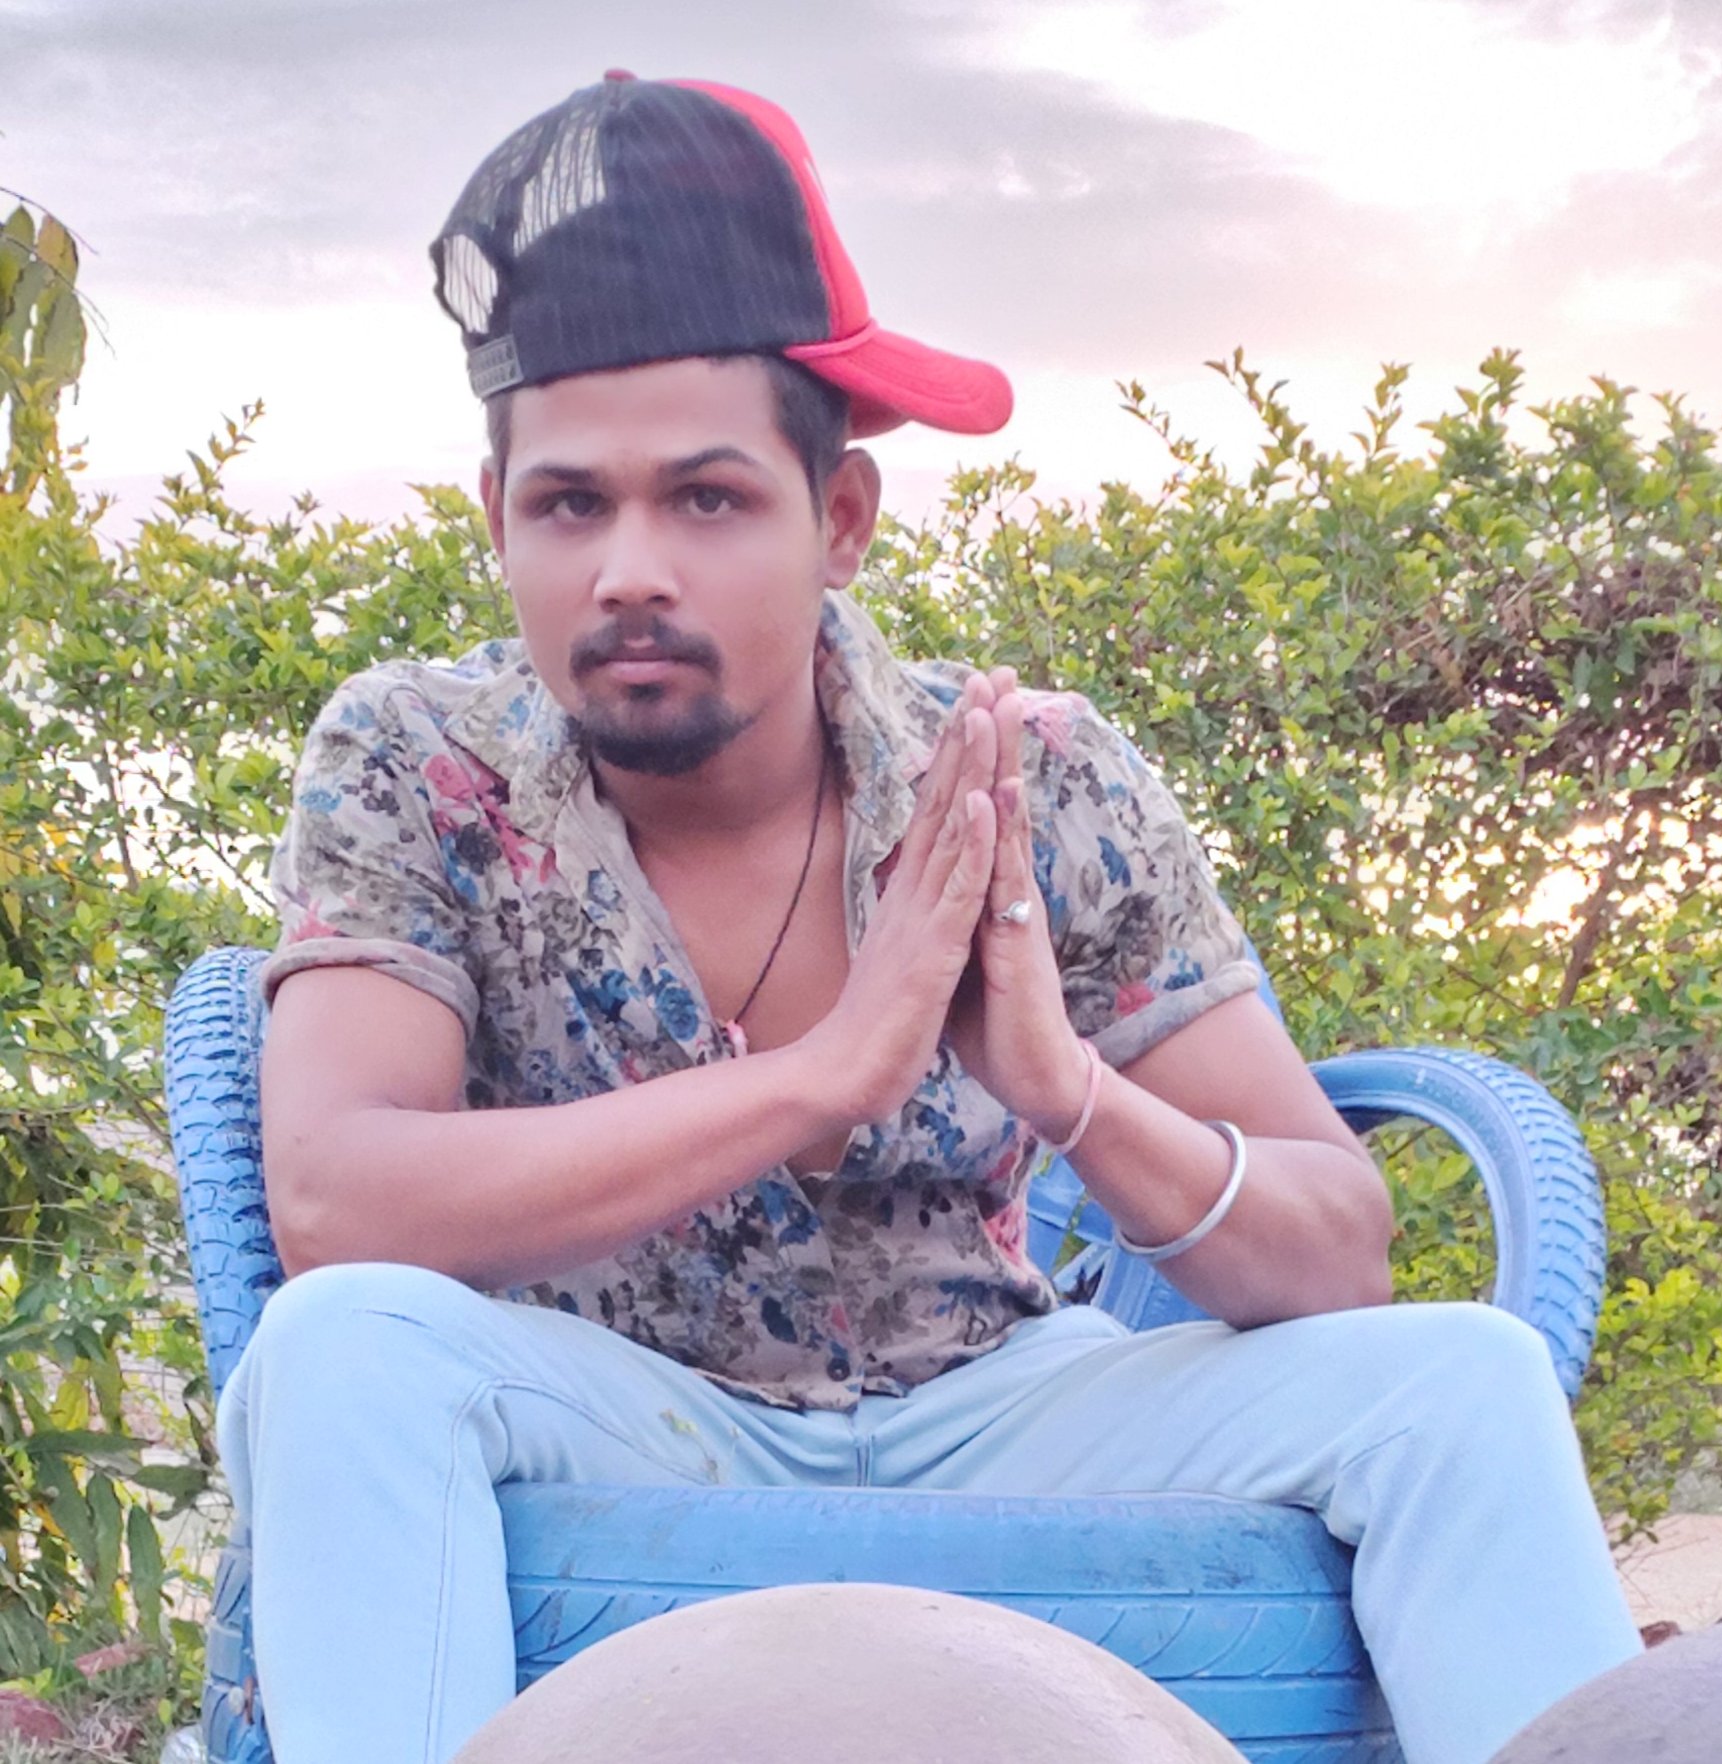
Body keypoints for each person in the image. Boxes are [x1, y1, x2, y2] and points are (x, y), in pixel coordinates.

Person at [218, 71, 1640, 1764]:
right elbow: (337, 1201)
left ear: (838, 520)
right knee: (343, 1351)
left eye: (708, 498)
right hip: (608, 1406)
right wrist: (821, 1075)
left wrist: (1072, 1095)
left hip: (997, 1406)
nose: (629, 572)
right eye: (570, 504)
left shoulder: (1030, 774)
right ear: (496, 518)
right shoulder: (418, 760)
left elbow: (1338, 1249)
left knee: (1460, 1384)